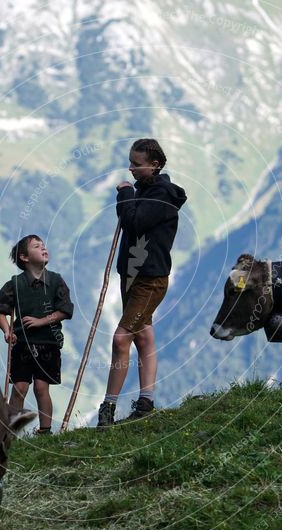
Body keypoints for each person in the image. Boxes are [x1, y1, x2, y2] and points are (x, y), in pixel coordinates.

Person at [97, 138, 187, 428]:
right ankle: (145, 402)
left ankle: (108, 408)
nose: (131, 168)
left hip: (150, 280)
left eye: (136, 164)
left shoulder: (161, 196)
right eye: (131, 162)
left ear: (155, 164)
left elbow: (134, 223)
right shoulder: (144, 190)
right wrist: (131, 193)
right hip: (133, 276)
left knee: (121, 338)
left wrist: (123, 195)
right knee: (143, 336)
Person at [0, 235, 74, 435]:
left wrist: (41, 321)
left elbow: (65, 310)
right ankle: (10, 432)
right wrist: (7, 330)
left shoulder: (55, 281)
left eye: (44, 245)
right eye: (37, 246)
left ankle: (45, 431)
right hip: (22, 343)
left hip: (48, 343)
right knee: (19, 387)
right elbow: (0, 309)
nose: (44, 248)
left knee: (40, 387)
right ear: (24, 258)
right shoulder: (16, 284)